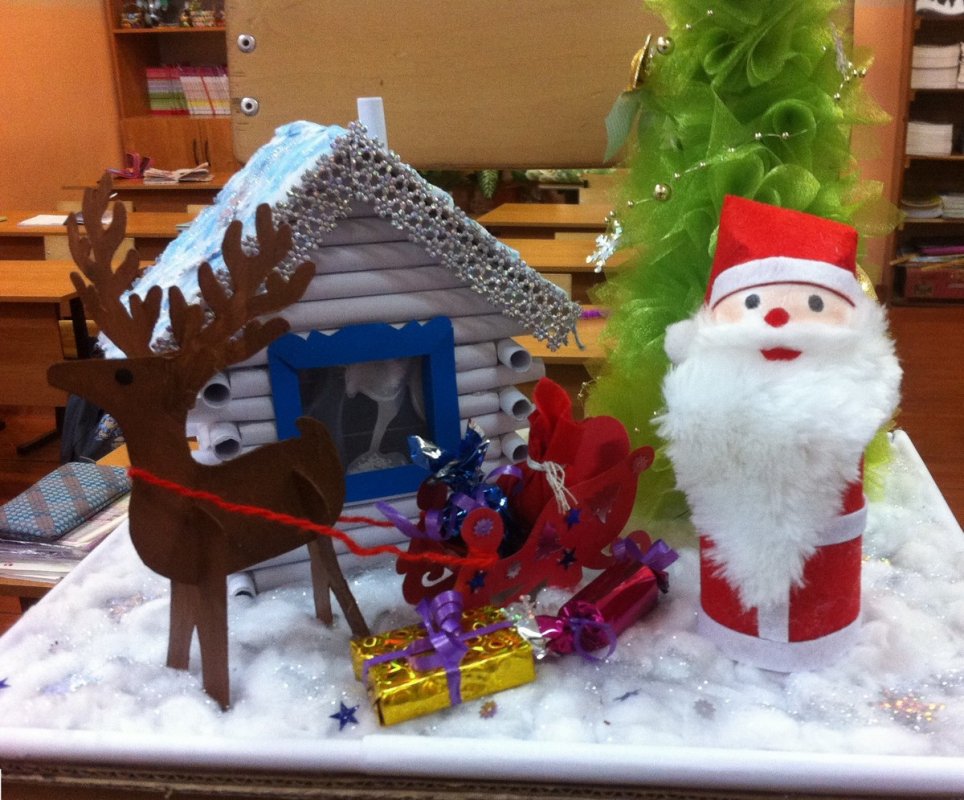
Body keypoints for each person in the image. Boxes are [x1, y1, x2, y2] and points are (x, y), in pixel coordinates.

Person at [657, 195, 902, 671]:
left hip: (826, 608)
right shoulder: (705, 384)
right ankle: (744, 625)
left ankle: (800, 635)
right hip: (728, 612)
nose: (776, 318)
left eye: (815, 303)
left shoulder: (857, 382)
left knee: (818, 581)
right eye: (751, 302)